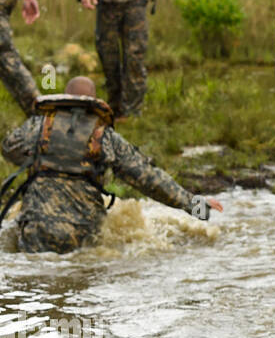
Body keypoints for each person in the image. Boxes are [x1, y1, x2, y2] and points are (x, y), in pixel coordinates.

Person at [0, 76, 223, 253]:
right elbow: (149, 179)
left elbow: (9, 148)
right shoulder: (104, 136)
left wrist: (45, 160)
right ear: (93, 101)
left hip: (37, 231)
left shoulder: (38, 126)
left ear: (66, 96)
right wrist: (196, 205)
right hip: (84, 235)